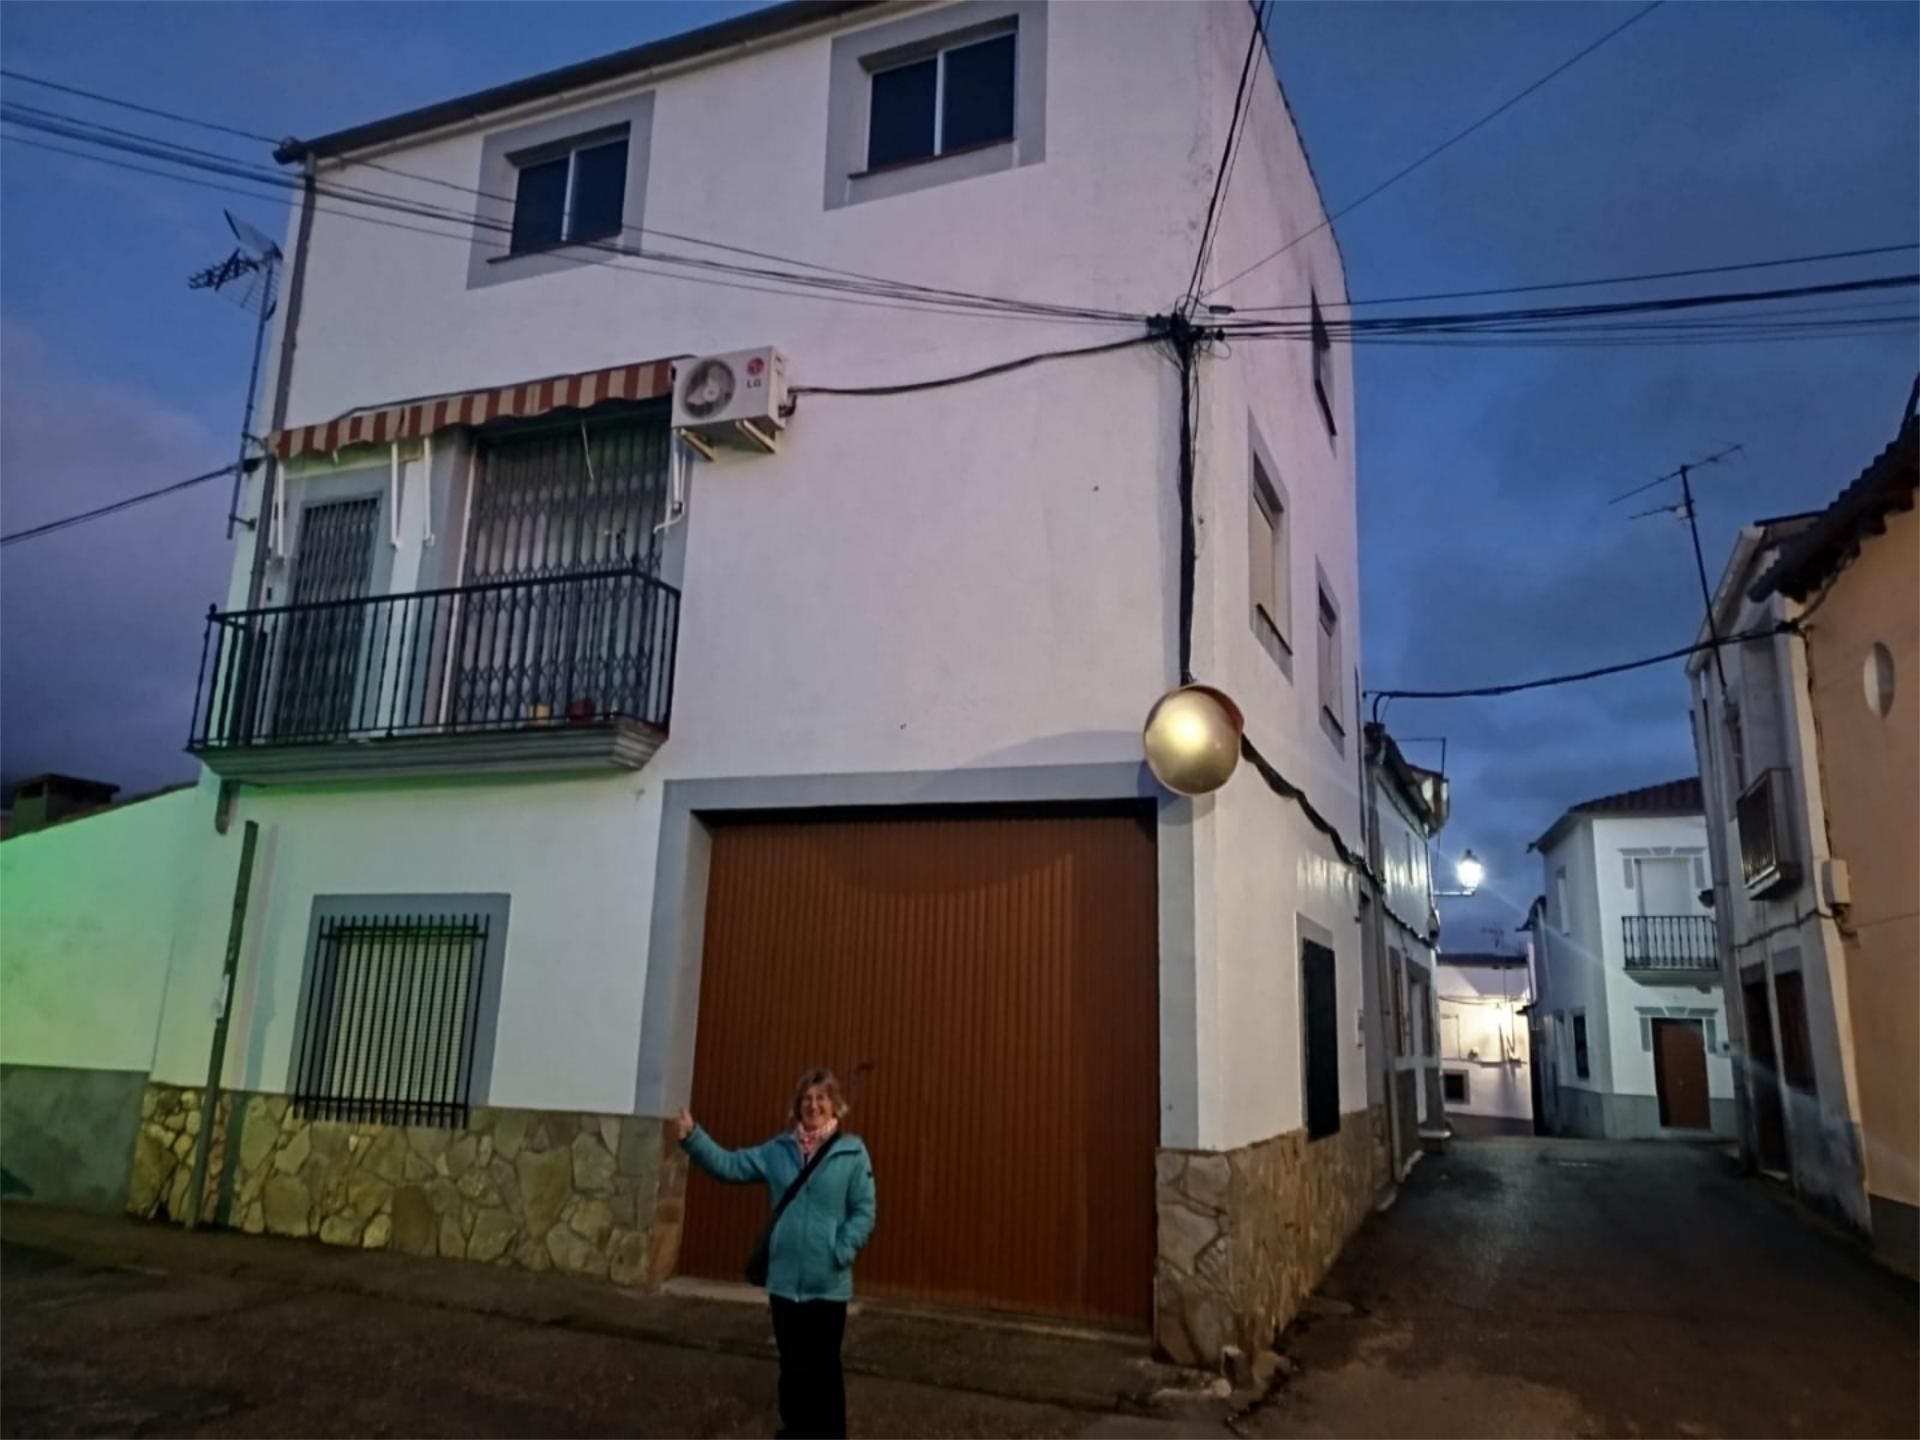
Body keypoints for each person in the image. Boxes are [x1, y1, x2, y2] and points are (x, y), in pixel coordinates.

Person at [676, 1069, 876, 1440]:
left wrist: (842, 1249)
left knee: (825, 1369)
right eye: (806, 1099)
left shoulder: (852, 1153)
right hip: (785, 1284)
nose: (813, 1105)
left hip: (828, 1283)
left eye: (821, 1098)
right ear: (797, 1107)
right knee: (792, 1367)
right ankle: (797, 1431)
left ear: (834, 1105)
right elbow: (730, 1166)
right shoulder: (777, 1151)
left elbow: (864, 1210)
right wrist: (694, 1138)